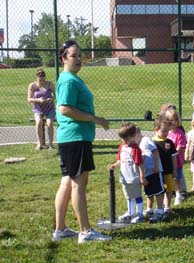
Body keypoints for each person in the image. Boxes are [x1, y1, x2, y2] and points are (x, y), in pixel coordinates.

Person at [53, 40, 111, 244]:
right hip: (75, 138)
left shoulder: (71, 78)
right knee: (79, 185)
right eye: (73, 55)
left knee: (67, 182)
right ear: (63, 58)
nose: (79, 59)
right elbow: (65, 108)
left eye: (80, 55)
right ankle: (85, 232)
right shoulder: (68, 80)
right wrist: (95, 119)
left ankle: (60, 230)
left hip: (72, 138)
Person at [108, 123, 146, 224]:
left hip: (134, 178)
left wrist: (142, 176)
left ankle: (140, 214)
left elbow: (140, 164)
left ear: (133, 136)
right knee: (128, 196)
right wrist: (114, 165)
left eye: (126, 138)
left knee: (137, 196)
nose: (124, 140)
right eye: (122, 138)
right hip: (124, 178)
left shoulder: (135, 149)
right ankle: (130, 212)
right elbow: (120, 160)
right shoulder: (122, 147)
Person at [135, 127, 166, 223]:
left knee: (158, 191)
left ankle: (160, 210)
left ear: (139, 132)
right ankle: (149, 209)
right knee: (149, 192)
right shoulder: (136, 145)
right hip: (146, 173)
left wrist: (156, 166)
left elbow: (155, 152)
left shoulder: (146, 140)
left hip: (155, 171)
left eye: (134, 134)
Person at [152, 114, 177, 221]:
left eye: (168, 131)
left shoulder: (169, 142)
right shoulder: (151, 142)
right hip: (157, 172)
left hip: (168, 171)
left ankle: (167, 207)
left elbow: (174, 157)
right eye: (163, 131)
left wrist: (175, 169)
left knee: (169, 189)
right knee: (160, 190)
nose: (166, 134)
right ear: (156, 129)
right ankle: (159, 207)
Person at [27, 68, 55, 150]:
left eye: (43, 79)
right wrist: (38, 100)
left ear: (45, 77)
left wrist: (51, 99)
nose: (42, 82)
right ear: (37, 78)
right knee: (39, 122)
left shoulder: (50, 84)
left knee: (49, 123)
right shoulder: (32, 85)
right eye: (40, 80)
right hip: (38, 108)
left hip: (49, 108)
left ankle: (51, 144)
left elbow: (57, 95)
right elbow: (29, 99)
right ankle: (40, 143)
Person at [165, 108, 187, 206]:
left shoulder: (180, 133)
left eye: (174, 120)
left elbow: (180, 147)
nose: (172, 123)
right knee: (169, 178)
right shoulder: (166, 133)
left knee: (177, 178)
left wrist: (172, 154)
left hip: (176, 161)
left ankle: (178, 194)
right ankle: (169, 193)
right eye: (169, 120)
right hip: (167, 161)